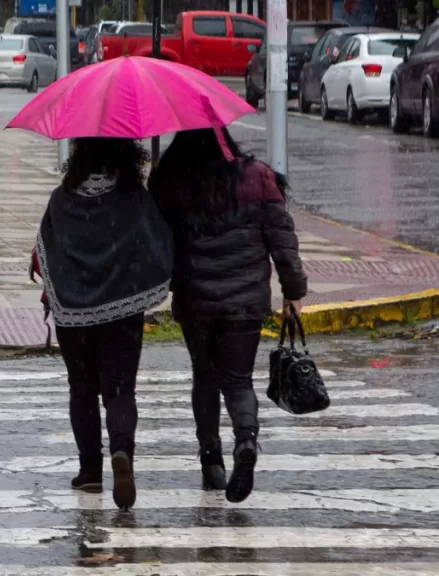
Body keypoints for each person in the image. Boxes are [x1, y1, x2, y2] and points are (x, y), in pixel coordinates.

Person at [148, 127, 307, 504]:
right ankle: (246, 440)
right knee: (238, 380)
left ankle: (211, 462)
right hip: (245, 301)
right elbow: (281, 237)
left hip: (194, 298)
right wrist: (294, 290)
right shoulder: (257, 177)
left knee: (204, 377)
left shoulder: (171, 182)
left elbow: (155, 240)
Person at [30, 138, 173, 511]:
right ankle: (122, 451)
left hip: (73, 316)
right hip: (123, 313)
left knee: (81, 388)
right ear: (128, 154)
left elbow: (44, 252)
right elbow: (158, 245)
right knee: (120, 389)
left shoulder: (62, 199)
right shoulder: (132, 197)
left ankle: (90, 470)